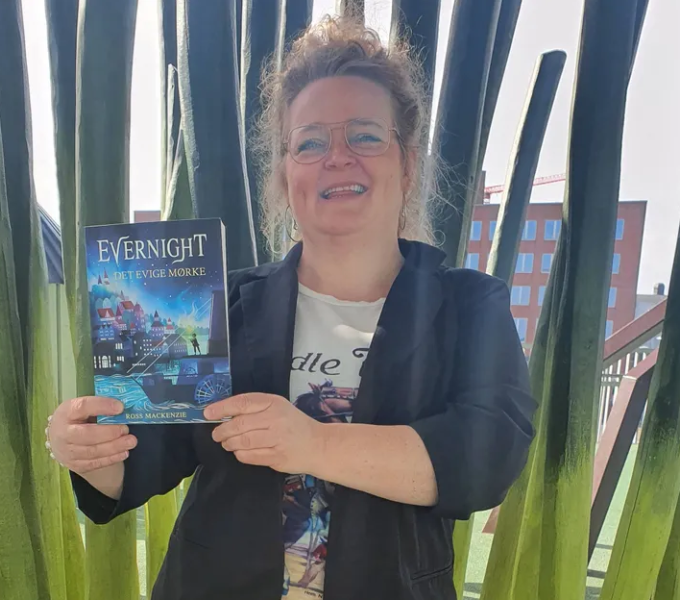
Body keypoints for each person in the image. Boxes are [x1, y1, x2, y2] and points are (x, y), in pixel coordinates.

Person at [47, 17, 536, 600]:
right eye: (310, 142)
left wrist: (312, 444)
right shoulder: (219, 304)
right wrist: (89, 450)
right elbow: (148, 459)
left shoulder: (470, 306)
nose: (338, 157)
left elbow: (485, 459)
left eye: (365, 136)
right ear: (284, 173)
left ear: (407, 163)